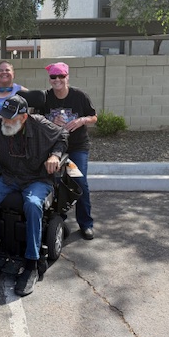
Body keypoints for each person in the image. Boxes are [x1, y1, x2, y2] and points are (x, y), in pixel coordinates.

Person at [0, 94, 68, 297]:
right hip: (9, 176)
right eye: (4, 116)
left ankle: (31, 263)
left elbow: (63, 135)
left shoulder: (40, 125)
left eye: (10, 118)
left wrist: (55, 156)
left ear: (24, 117)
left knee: (32, 204)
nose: (5, 121)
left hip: (37, 178)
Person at [41, 62, 97, 240]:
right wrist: (50, 122)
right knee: (53, 182)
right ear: (49, 79)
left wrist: (82, 120)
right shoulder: (45, 97)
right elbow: (36, 120)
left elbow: (94, 117)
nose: (57, 79)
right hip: (53, 147)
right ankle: (57, 221)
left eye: (61, 76)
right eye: (53, 76)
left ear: (67, 77)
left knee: (79, 182)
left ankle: (86, 223)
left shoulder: (79, 96)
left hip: (77, 146)